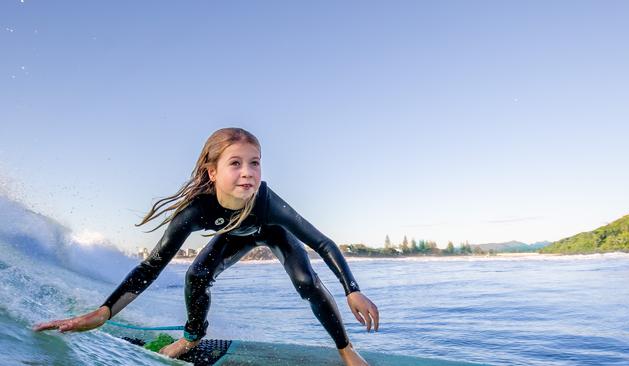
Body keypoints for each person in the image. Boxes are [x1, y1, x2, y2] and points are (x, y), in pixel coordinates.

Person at [34, 128, 379, 366]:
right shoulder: (197, 211)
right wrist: (104, 312)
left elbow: (320, 241)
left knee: (306, 281)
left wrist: (352, 290)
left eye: (255, 162)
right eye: (236, 163)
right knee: (196, 275)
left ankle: (346, 350)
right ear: (212, 172)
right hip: (232, 234)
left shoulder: (268, 202)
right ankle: (193, 336)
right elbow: (151, 265)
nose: (248, 173)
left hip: (272, 232)